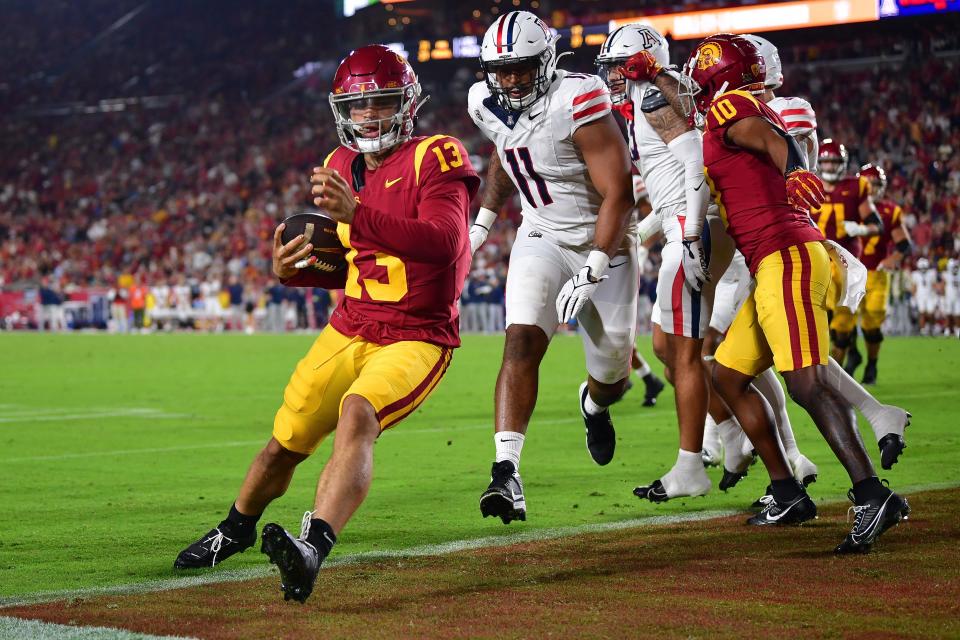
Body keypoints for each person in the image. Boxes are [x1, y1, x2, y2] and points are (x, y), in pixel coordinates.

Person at [173, 45, 480, 603]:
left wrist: (357, 214)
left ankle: (311, 547)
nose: (367, 116)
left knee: (358, 414)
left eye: (381, 103)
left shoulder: (436, 155)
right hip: (350, 325)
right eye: (357, 106)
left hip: (416, 333)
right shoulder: (341, 164)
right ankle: (235, 527)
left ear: (407, 103)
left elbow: (445, 243)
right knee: (282, 444)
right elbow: (352, 262)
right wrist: (290, 272)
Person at [630, 33, 909, 552]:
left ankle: (873, 495)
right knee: (728, 375)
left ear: (717, 77)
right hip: (770, 262)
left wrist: (796, 167)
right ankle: (786, 489)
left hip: (787, 257)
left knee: (806, 382)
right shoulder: (737, 104)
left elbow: (770, 139)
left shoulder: (734, 106)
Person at [467, 11, 638, 524]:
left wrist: (594, 267)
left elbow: (620, 192)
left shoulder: (578, 98)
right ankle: (505, 471)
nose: (513, 79)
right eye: (504, 69)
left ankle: (594, 404)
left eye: (522, 67)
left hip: (605, 242)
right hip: (540, 233)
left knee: (613, 375)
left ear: (546, 60)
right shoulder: (484, 102)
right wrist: (481, 225)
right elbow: (506, 153)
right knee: (520, 341)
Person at [597, 24, 736, 502]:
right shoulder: (659, 92)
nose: (612, 75)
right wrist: (648, 234)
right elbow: (677, 179)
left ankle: (693, 464)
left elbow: (695, 167)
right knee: (662, 346)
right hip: (684, 223)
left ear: (641, 62)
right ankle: (732, 433)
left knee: (686, 355)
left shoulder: (654, 96)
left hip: (693, 227)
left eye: (619, 65)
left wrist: (692, 234)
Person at [847, 163, 912, 383]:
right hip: (849, 274)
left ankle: (872, 364)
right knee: (840, 324)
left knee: (872, 326)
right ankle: (853, 354)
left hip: (876, 275)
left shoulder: (890, 211)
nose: (873, 189)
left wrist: (891, 259)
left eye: (876, 185)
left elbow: (904, 245)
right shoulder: (849, 206)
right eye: (869, 184)